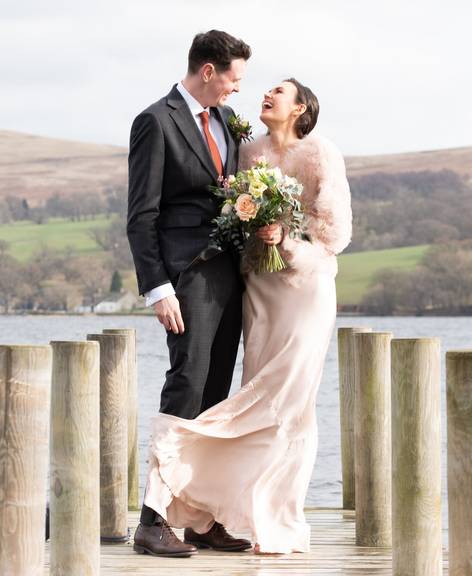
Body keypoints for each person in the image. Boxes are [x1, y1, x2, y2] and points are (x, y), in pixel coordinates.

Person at [141, 77, 353, 554]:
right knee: (254, 397)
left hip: (304, 291)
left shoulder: (322, 154)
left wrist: (288, 240)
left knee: (289, 407)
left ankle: (278, 518)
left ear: (300, 108)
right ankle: (204, 505)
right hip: (259, 288)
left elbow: (335, 232)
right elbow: (232, 214)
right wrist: (256, 229)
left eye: (278, 91)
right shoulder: (248, 152)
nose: (264, 94)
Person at [127, 30, 254, 557]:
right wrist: (159, 288)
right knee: (186, 387)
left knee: (216, 399)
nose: (237, 90)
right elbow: (142, 216)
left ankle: (200, 517)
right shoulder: (155, 122)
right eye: (233, 78)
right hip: (185, 278)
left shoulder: (225, 122)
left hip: (229, 277)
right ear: (208, 71)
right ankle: (152, 520)